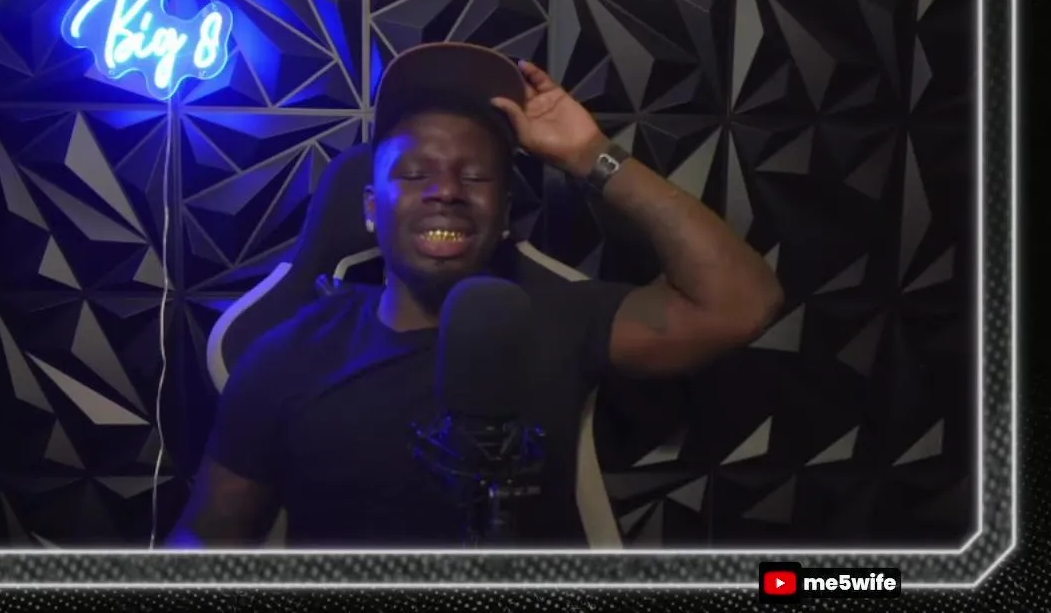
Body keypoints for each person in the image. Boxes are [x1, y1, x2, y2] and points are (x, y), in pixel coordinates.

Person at [168, 43, 783, 548]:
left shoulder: (558, 318)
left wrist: (592, 156)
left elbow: (741, 304)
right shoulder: (289, 355)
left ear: (504, 212)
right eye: (415, 173)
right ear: (371, 210)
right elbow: (208, 534)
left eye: (475, 175)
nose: (446, 191)